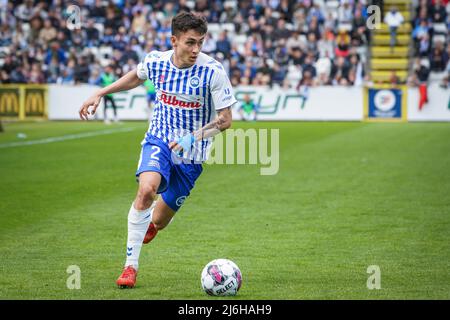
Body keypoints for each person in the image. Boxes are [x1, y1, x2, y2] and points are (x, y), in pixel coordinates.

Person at [78, 12, 236, 289]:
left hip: (192, 155)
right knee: (146, 189)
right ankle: (130, 267)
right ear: (174, 40)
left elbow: (225, 121)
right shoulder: (156, 61)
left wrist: (192, 138)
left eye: (200, 42)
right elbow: (136, 77)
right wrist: (101, 92)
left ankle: (151, 223)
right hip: (159, 140)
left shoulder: (213, 71)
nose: (196, 49)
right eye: (189, 42)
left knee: (159, 221)